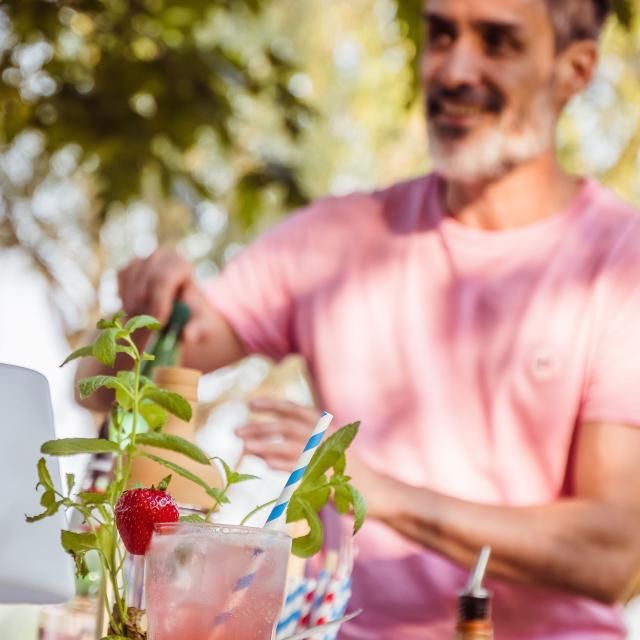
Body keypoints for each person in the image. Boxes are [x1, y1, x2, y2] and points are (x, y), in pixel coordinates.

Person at [78, 0, 640, 637]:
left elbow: (612, 554)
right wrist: (142, 314)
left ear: (575, 69)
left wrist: (368, 485)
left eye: (497, 41)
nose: (454, 69)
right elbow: (102, 379)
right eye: (440, 33)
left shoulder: (622, 263)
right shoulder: (335, 241)